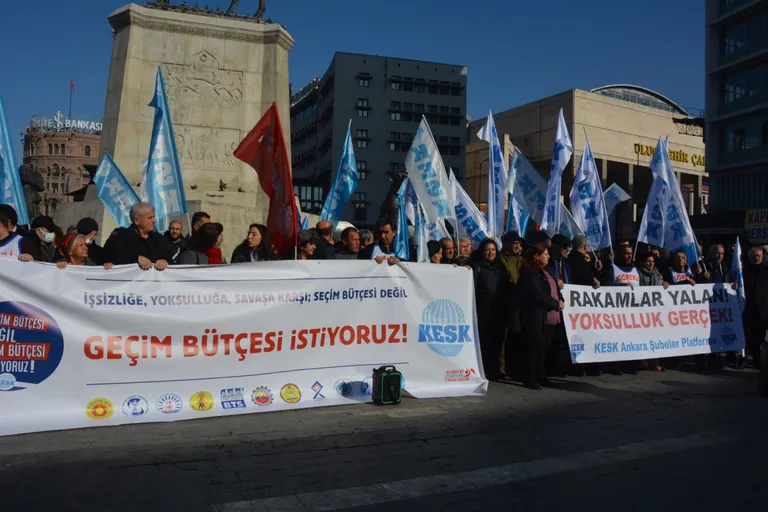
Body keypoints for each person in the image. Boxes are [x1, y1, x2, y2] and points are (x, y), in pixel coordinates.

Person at [518, 244, 563, 390]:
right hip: (536, 316)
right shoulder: (529, 272)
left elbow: (554, 288)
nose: (548, 256)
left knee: (543, 349)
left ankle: (541, 376)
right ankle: (529, 377)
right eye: (545, 254)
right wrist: (555, 303)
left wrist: (561, 300)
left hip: (550, 316)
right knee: (533, 348)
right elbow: (538, 294)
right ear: (536, 256)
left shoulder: (547, 271)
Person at [471, 238, 505, 381]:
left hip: (498, 309)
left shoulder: (500, 267)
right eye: (487, 250)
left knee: (497, 341)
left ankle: (495, 370)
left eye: (493, 250)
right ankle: (484, 370)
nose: (490, 253)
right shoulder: (476, 267)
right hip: (483, 309)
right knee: (485, 342)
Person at [103, 202, 172, 270]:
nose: (154, 221)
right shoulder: (119, 237)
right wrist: (136, 258)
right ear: (136, 220)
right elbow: (106, 257)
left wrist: (165, 261)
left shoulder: (160, 239)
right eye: (150, 218)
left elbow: (171, 261)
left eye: (154, 217)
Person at [498, 231, 524, 379]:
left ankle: (514, 366)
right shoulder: (501, 259)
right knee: (504, 337)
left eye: (518, 243)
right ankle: (501, 368)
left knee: (516, 337)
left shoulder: (521, 260)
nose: (516, 245)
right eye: (514, 243)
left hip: (519, 303)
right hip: (505, 302)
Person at [744, 247, 767, 368]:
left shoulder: (766, 269)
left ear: (762, 256)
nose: (756, 258)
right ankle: (749, 359)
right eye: (754, 256)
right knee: (749, 337)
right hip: (748, 308)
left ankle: (759, 361)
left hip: (763, 309)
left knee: (761, 338)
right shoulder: (744, 270)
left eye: (758, 255)